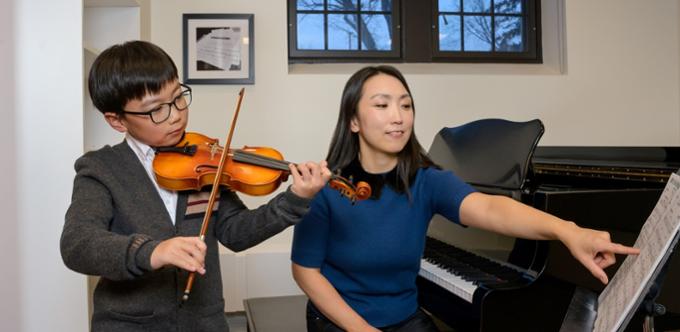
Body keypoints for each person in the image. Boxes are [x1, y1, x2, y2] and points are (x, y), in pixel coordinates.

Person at [290, 65, 640, 332]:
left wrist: (569, 231)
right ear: (353, 120)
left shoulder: (425, 180)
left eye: (406, 105)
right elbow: (306, 271)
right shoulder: (323, 186)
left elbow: (490, 208)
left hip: (404, 317)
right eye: (382, 105)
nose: (398, 117)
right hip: (339, 321)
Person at [60, 40, 331, 332]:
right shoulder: (101, 168)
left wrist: (294, 200)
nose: (176, 115)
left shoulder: (203, 157)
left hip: (205, 324)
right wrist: (152, 252)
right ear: (117, 120)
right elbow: (78, 243)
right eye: (156, 110)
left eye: (178, 98)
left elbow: (235, 233)